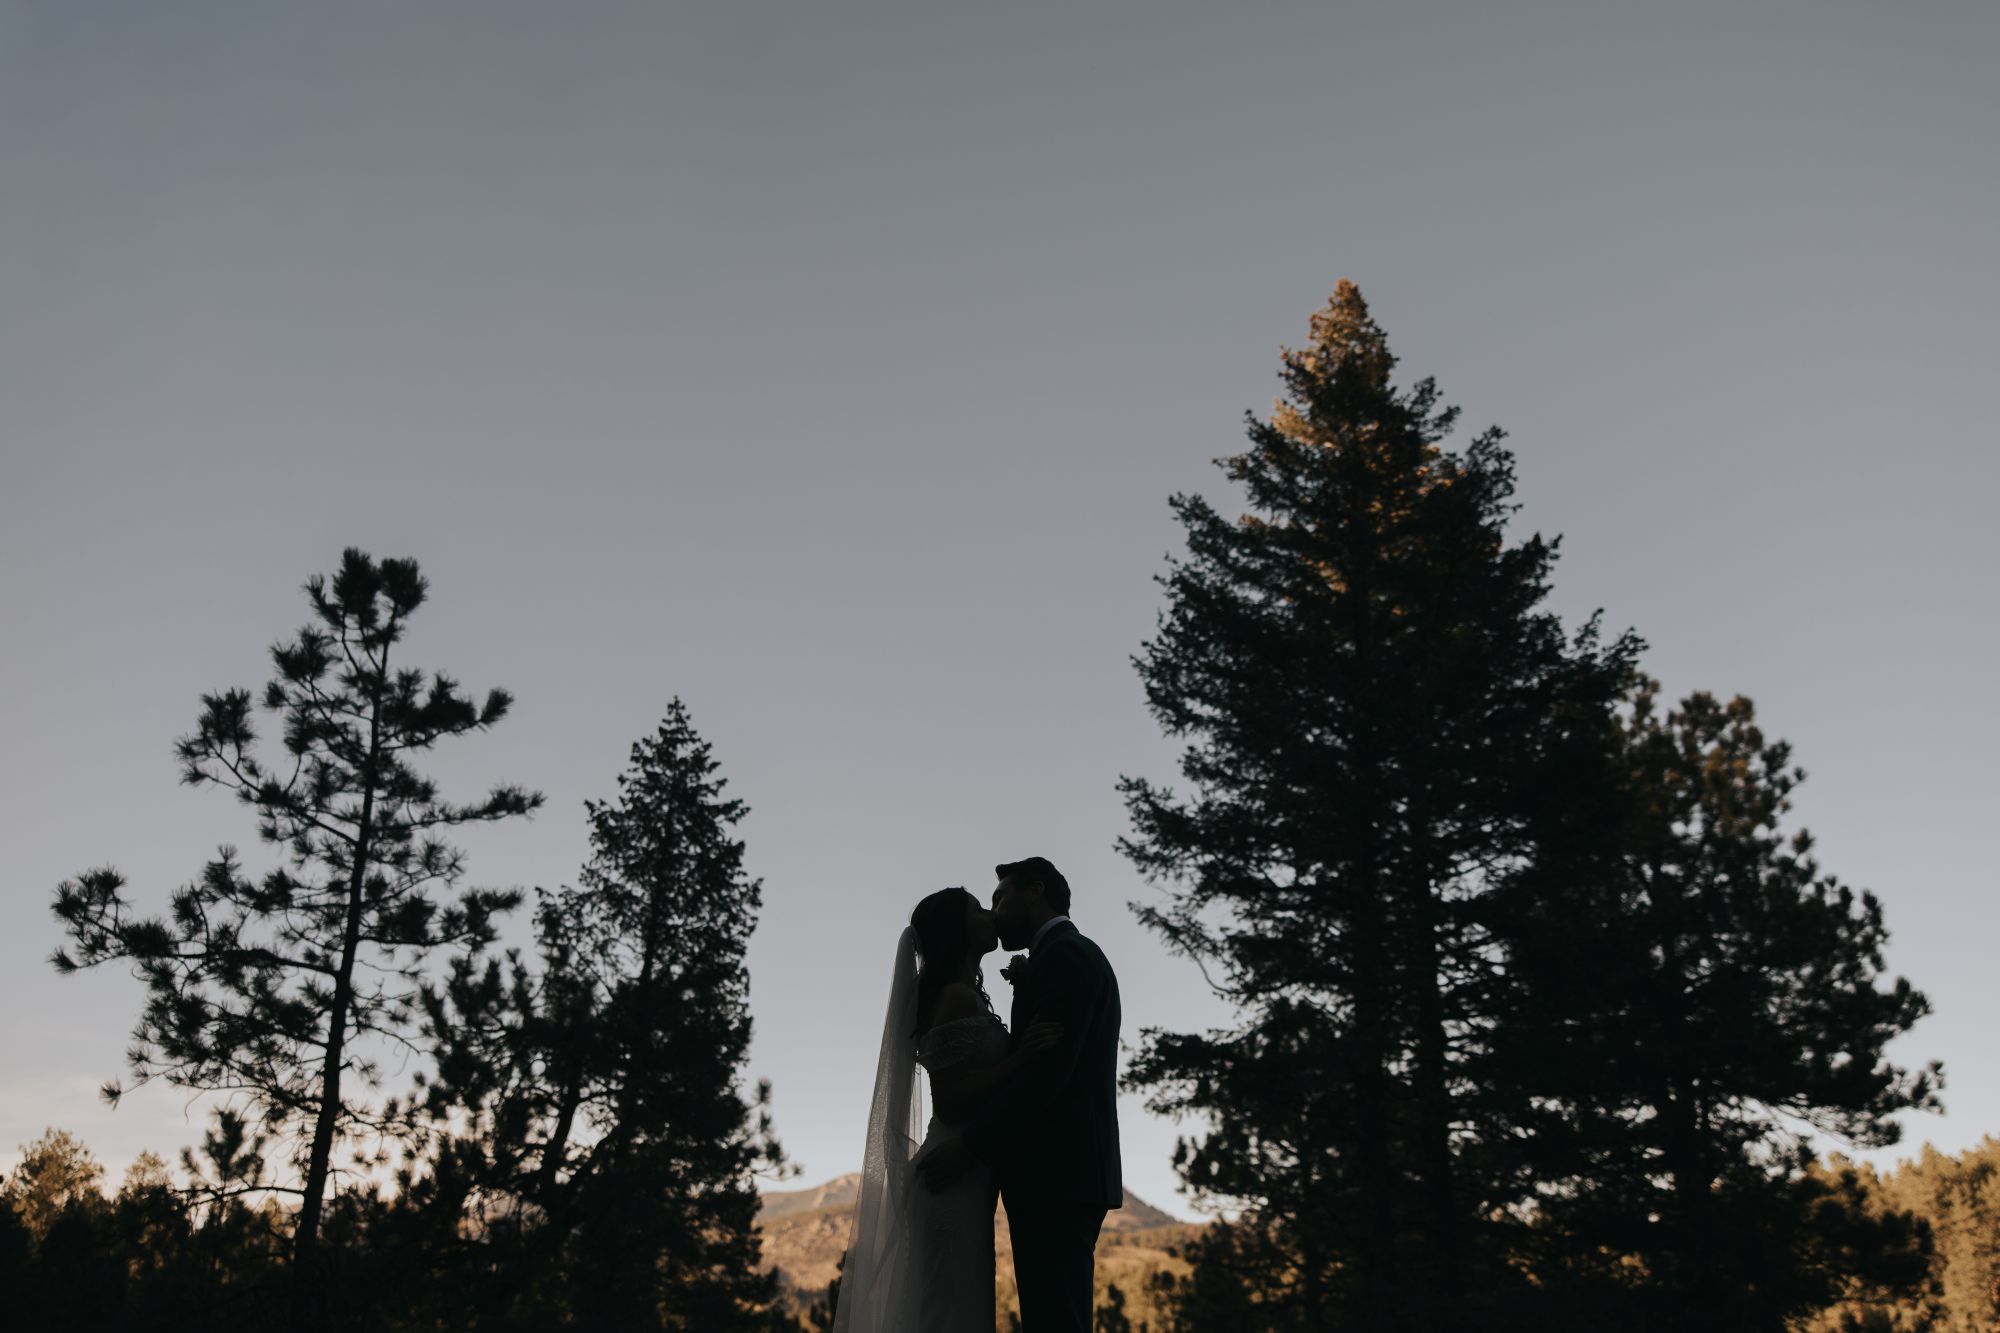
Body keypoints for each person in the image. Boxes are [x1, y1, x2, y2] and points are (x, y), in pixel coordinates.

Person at [833, 883, 1063, 1332]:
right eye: (978, 908)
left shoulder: (967, 994)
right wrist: (1019, 1058)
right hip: (950, 1177)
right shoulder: (955, 998)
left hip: (967, 1177)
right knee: (949, 1310)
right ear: (957, 930)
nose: (991, 914)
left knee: (956, 1306)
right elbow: (951, 1101)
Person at [917, 857, 1123, 1333]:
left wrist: (970, 1150)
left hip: (1058, 1175)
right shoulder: (1054, 959)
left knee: (1055, 1319)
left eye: (999, 898)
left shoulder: (1066, 957)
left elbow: (1048, 1076)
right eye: (983, 906)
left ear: (1035, 891)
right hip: (1048, 1177)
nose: (993, 912)